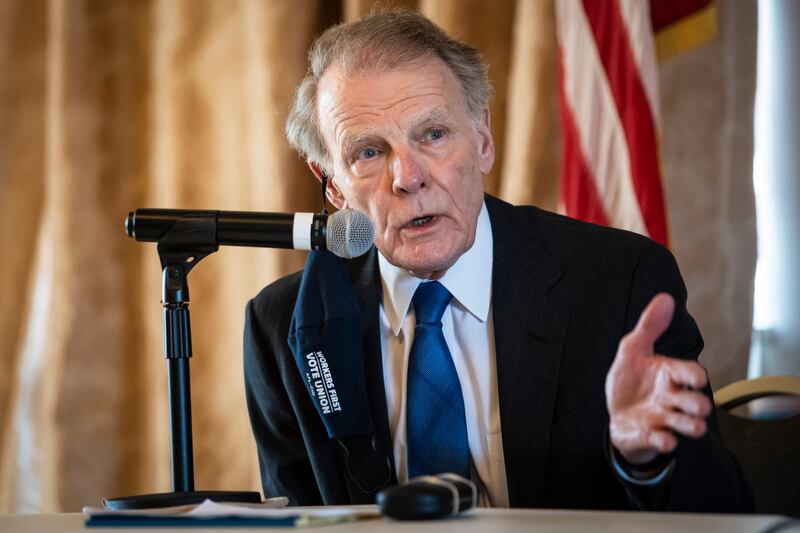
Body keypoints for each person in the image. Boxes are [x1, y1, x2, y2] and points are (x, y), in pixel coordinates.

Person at [243, 10, 751, 511]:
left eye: (433, 135)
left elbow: (727, 514)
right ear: (331, 183)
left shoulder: (621, 285)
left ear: (482, 139)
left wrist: (646, 461)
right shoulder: (283, 326)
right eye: (368, 153)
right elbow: (298, 520)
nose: (408, 177)